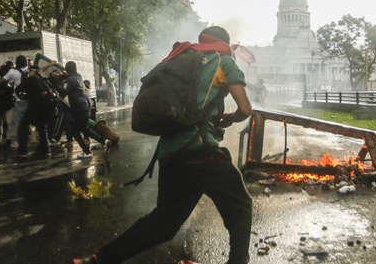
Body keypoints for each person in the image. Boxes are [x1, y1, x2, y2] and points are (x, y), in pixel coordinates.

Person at [71, 26, 253, 264]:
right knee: (240, 205)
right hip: (199, 149)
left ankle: (98, 260)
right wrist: (230, 119)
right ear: (225, 42)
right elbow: (245, 109)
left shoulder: (182, 58)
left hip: (170, 152)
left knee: (164, 222)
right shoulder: (223, 60)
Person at [14, 65, 56, 156]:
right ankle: (46, 149)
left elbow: (18, 89)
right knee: (42, 126)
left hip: (35, 105)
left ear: (32, 71)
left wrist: (24, 96)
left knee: (23, 125)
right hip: (46, 106)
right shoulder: (44, 80)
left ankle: (23, 150)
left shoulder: (31, 79)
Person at [64, 61, 97, 158]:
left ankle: (87, 152)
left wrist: (60, 82)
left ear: (66, 70)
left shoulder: (71, 80)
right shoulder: (78, 76)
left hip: (78, 108)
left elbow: (64, 91)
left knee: (75, 131)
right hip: (84, 107)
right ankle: (103, 141)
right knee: (84, 129)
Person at [0, 55, 29, 147]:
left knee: (18, 121)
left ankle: (16, 140)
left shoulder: (13, 72)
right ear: (26, 62)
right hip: (31, 99)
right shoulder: (30, 70)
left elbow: (2, 81)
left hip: (19, 99)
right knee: (31, 120)